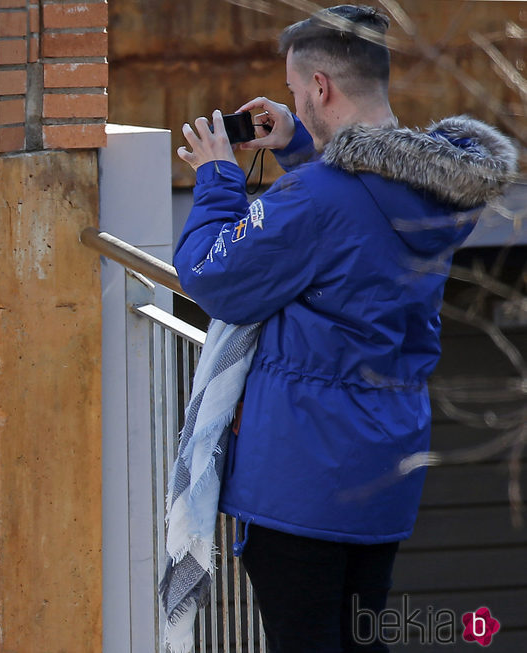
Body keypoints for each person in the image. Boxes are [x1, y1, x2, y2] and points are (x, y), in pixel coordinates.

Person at [173, 5, 517, 652]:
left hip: (300, 469)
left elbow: (212, 277)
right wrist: (302, 149)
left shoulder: (316, 197)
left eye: (295, 89)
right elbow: (355, 214)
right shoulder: (435, 189)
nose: (294, 99)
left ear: (320, 86)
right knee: (355, 636)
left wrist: (217, 179)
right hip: (384, 460)